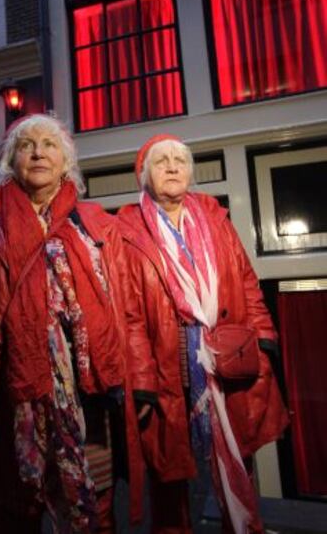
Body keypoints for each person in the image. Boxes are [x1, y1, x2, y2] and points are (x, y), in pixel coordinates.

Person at [0, 113, 143, 534]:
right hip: (10, 390)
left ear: (66, 161)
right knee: (15, 510)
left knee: (95, 506)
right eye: (26, 145)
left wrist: (139, 377)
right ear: (9, 160)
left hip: (89, 391)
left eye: (49, 144)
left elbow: (129, 305)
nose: (38, 152)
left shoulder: (97, 224)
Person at [118, 134, 289, 534]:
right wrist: (141, 380)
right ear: (144, 175)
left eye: (180, 159)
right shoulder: (126, 230)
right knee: (170, 478)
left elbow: (247, 282)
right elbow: (128, 314)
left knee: (237, 461)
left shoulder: (215, 219)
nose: (173, 167)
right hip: (169, 367)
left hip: (229, 361)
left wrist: (264, 341)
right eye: (162, 161)